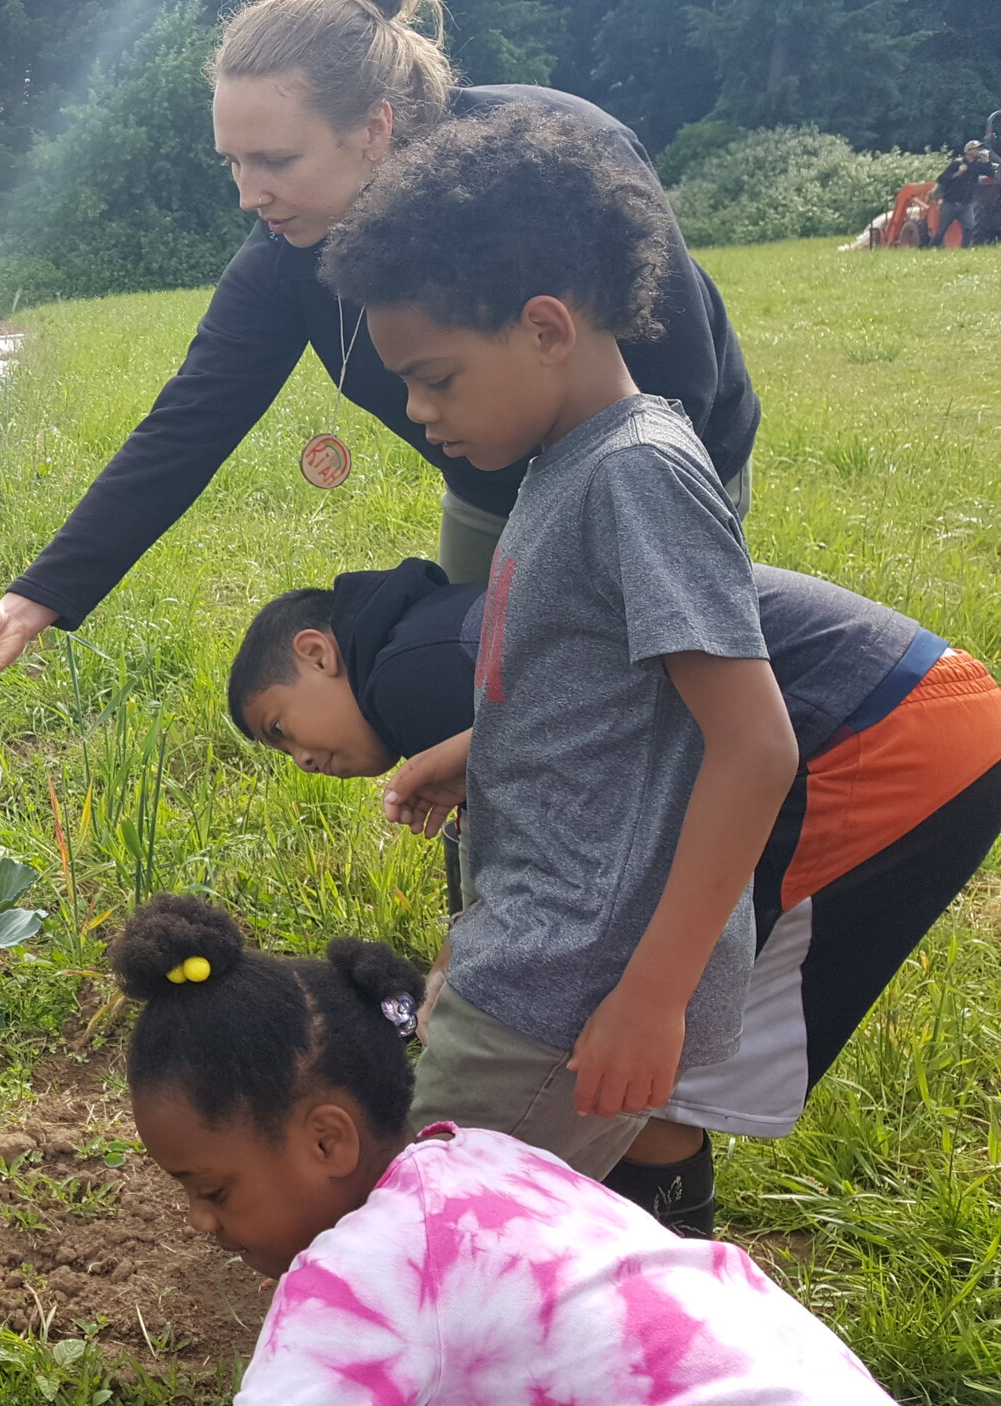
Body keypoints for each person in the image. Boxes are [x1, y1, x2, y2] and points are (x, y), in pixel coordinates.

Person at [0, 0, 759, 706]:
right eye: (235, 163)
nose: (251, 194)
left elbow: (679, 372)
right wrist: (32, 604)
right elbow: (188, 424)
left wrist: (591, 544)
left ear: (374, 129)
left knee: (648, 706)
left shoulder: (556, 156)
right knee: (490, 703)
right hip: (493, 491)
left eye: (276, 159)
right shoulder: (285, 257)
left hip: (667, 464)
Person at [224, 558, 1001, 1234]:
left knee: (640, 1060)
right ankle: (652, 1280)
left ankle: (651, 1304)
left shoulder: (407, 670)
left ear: (318, 652)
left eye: (280, 727)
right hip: (913, 703)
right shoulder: (441, 634)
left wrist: (468, 992)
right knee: (645, 1060)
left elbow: (555, 871)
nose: (299, 760)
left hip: (873, 737)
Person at [318, 105, 800, 1179]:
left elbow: (754, 747)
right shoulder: (564, 458)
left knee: (426, 1222)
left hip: (579, 977)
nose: (414, 409)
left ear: (545, 328)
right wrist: (475, 746)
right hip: (539, 948)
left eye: (434, 377)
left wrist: (653, 994)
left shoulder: (635, 474)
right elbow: (608, 696)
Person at [111, 894, 900, 1404]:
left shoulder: (354, 1276)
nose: (201, 1224)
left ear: (327, 1138)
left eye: (213, 1190)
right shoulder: (489, 1158)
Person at [933, 143, 983, 248]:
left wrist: (987, 161)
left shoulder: (978, 165)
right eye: (976, 149)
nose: (979, 150)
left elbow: (991, 173)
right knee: (942, 229)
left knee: (970, 227)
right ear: (969, 151)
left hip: (966, 204)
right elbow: (942, 179)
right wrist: (958, 173)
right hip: (950, 203)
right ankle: (932, 248)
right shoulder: (956, 163)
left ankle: (965, 249)